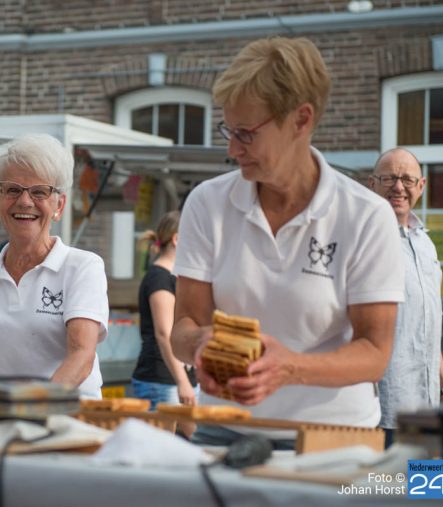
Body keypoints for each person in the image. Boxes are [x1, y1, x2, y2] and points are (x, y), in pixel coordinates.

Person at [170, 37, 404, 447]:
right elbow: (184, 328)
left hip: (334, 439)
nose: (231, 148)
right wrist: (202, 345)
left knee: (424, 488)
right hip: (223, 430)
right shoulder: (207, 203)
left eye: (245, 133)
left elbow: (375, 353)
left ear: (301, 120)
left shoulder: (365, 215)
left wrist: (290, 368)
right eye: (228, 129)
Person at [0, 134, 108, 398]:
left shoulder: (83, 267)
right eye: (12, 189)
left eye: (39, 191)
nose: (25, 201)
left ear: (59, 205)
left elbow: (81, 357)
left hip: (69, 417)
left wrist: (32, 406)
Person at [368, 147, 443, 447]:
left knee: (427, 491)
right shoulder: (364, 240)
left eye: (407, 179)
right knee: (382, 491)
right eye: (389, 178)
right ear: (372, 185)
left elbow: (428, 323)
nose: (398, 187)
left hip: (428, 407)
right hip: (382, 411)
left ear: (422, 185)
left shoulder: (426, 244)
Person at [131, 210, 197, 409]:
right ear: (176, 239)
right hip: (162, 380)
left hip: (174, 379)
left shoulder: (174, 277)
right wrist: (182, 381)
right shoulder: (160, 278)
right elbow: (164, 333)